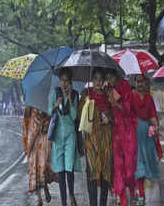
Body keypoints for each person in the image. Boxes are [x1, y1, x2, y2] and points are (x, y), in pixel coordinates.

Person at [79, 68, 113, 206]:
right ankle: (93, 203)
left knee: (105, 171)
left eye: (100, 79)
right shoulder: (86, 95)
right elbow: (80, 116)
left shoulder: (108, 95)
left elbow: (115, 113)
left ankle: (103, 203)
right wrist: (87, 105)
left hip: (105, 138)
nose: (98, 82)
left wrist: (108, 118)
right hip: (91, 138)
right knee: (92, 171)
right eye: (95, 79)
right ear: (92, 80)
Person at [48, 68, 81, 206]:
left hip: (70, 136)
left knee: (69, 168)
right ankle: (63, 202)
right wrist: (56, 105)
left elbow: (74, 116)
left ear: (70, 82)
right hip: (58, 136)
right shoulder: (54, 93)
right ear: (59, 81)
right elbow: (49, 111)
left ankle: (71, 194)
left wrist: (69, 99)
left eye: (67, 81)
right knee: (60, 170)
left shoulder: (74, 94)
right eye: (62, 80)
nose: (64, 83)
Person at [105, 70, 138, 206]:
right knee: (118, 167)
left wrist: (115, 102)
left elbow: (128, 111)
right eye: (107, 78)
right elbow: (109, 111)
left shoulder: (126, 87)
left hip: (128, 131)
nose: (109, 80)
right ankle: (122, 198)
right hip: (116, 132)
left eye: (110, 77)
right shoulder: (109, 89)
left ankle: (132, 188)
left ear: (116, 76)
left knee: (129, 169)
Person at [132, 74, 161, 206]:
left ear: (145, 83)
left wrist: (156, 128)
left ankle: (140, 192)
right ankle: (141, 195)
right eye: (137, 82)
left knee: (147, 164)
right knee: (139, 165)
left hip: (147, 135)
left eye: (142, 82)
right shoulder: (131, 97)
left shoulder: (149, 98)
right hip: (135, 134)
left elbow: (153, 116)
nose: (139, 84)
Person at [23, 106, 57, 206]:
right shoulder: (29, 107)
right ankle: (39, 198)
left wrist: (46, 125)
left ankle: (45, 187)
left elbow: (52, 120)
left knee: (44, 167)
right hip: (33, 142)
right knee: (35, 170)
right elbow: (25, 124)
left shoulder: (47, 104)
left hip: (44, 140)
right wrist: (26, 144)